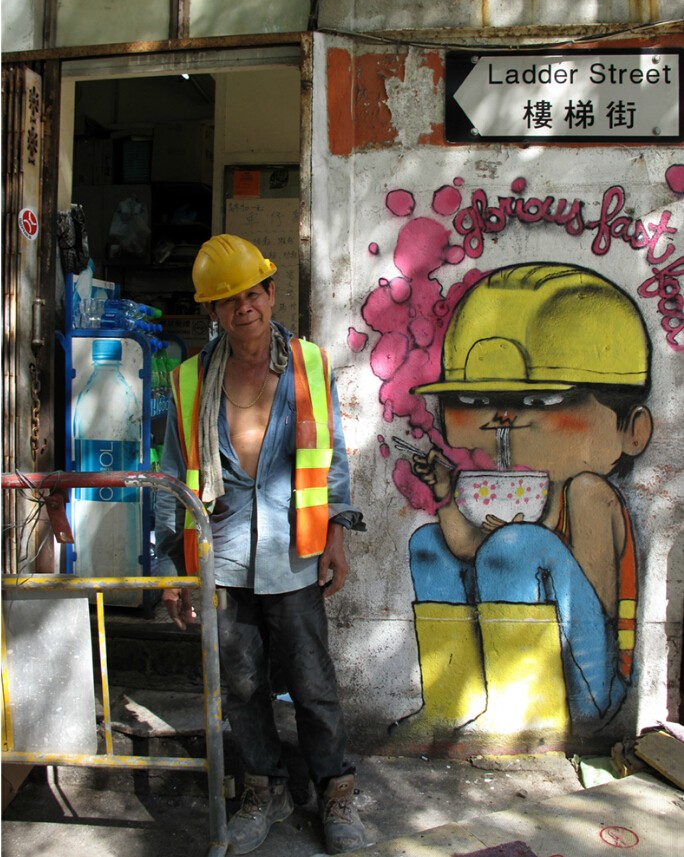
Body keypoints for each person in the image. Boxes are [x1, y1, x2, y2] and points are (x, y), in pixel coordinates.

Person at [154, 234, 367, 855]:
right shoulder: (191, 380)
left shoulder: (309, 364)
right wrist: (172, 569)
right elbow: (172, 476)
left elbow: (331, 456)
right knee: (241, 685)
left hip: (293, 553)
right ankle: (263, 789)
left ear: (271, 294)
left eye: (252, 293)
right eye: (228, 299)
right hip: (220, 556)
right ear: (212, 311)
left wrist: (336, 536)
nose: (243, 307)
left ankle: (335, 790)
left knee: (312, 681)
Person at [408, 262, 653, 730]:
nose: (504, 419)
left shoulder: (589, 492)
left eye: (541, 402)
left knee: (515, 546)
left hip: (588, 680)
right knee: (429, 544)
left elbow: (592, 606)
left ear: (633, 430)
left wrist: (523, 545)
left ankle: (520, 716)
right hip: (523, 659)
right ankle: (449, 704)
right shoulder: (533, 494)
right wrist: (445, 492)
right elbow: (467, 550)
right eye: (477, 402)